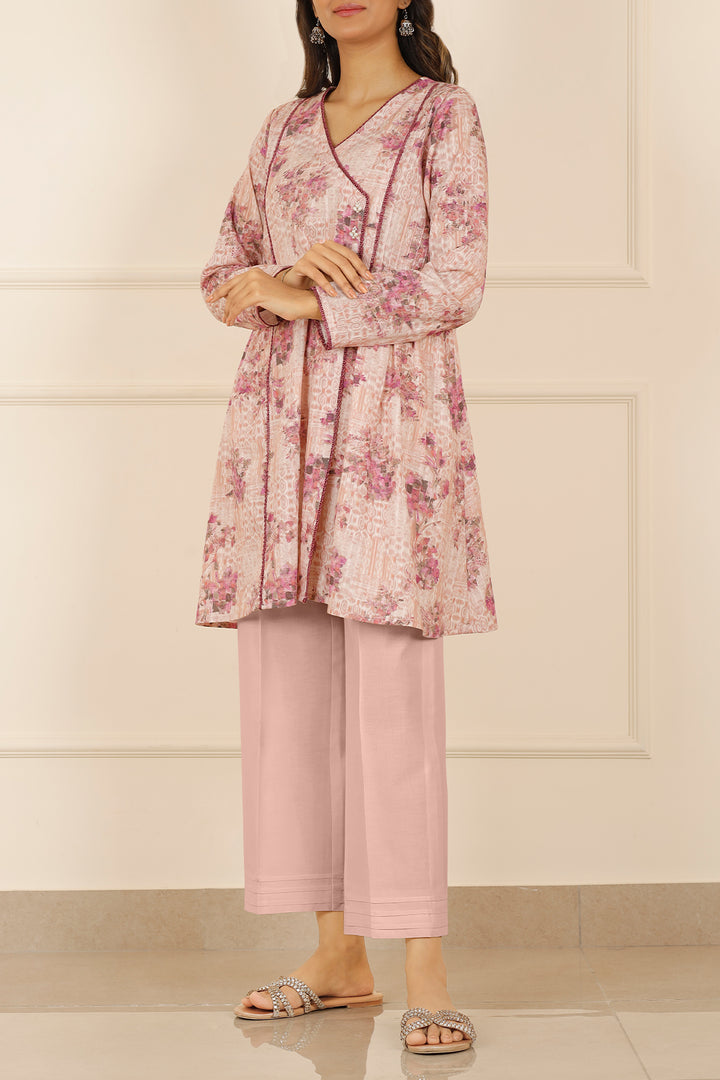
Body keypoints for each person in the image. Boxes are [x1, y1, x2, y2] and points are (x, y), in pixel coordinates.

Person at [194, 0, 497, 1057]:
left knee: (393, 701)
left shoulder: (445, 116)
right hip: (278, 435)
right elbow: (223, 273)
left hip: (389, 433)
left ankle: (426, 971)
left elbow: (458, 281)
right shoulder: (281, 128)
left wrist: (315, 303)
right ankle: (337, 957)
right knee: (292, 698)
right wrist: (273, 285)